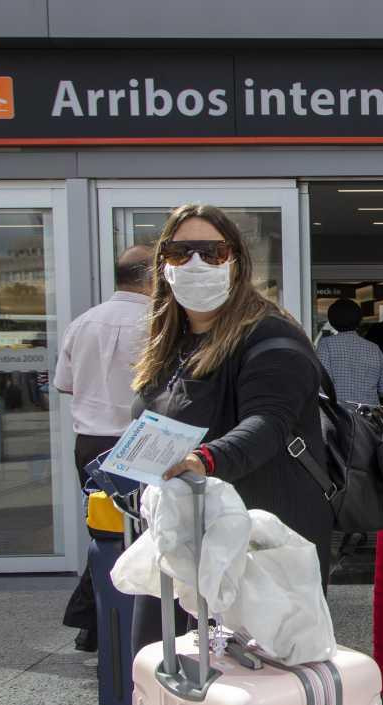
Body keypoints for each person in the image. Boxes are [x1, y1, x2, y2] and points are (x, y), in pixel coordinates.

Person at [130, 203, 333, 653]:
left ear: (236, 261)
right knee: (172, 677)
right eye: (182, 252)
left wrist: (201, 460)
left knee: (260, 688)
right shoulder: (173, 345)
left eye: (213, 252)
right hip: (188, 540)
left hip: (262, 542)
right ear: (163, 265)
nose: (196, 264)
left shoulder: (272, 338)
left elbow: (267, 424)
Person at [53, 244, 152, 652]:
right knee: (143, 532)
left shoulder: (81, 323)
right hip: (142, 439)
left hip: (91, 441)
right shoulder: (158, 323)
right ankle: (102, 617)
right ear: (150, 278)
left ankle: (94, 620)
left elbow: (64, 384)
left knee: (104, 530)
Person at [317, 298, 383, 406]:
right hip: (369, 417)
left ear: (332, 320)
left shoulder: (326, 345)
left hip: (339, 415)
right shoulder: (374, 348)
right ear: (359, 320)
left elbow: (321, 385)